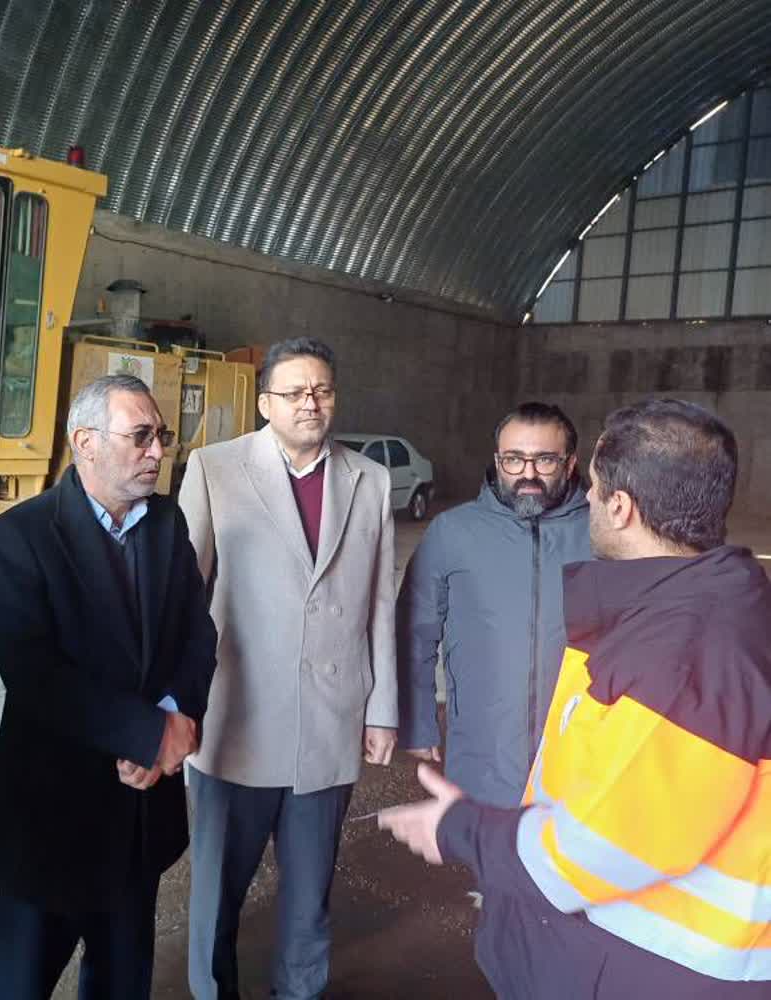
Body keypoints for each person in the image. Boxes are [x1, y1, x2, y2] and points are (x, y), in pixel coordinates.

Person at [380, 398, 771, 998]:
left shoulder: (684, 653)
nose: (584, 497)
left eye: (590, 483)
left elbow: (603, 850)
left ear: (619, 506)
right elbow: (417, 629)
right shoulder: (702, 604)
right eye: (513, 458)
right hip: (619, 924)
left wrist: (463, 831)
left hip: (664, 964)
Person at [0, 374, 218, 1000]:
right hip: (52, 816)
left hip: (138, 818)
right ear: (85, 442)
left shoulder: (166, 523)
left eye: (161, 435)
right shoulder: (22, 535)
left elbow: (197, 633)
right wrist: (148, 735)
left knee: (121, 982)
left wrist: (176, 713)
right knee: (17, 983)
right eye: (140, 436)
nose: (157, 451)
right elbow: (34, 674)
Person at [178, 336, 398, 1000]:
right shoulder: (215, 469)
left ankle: (299, 992)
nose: (310, 403)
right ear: (265, 402)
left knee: (309, 899)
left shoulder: (369, 479)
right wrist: (176, 709)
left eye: (322, 390)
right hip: (234, 723)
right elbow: (181, 598)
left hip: (327, 724)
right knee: (217, 894)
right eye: (295, 391)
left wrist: (381, 708)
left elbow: (378, 601)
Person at [396, 402, 591, 806]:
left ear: (570, 463)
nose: (528, 474)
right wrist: (417, 723)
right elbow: (415, 631)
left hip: (584, 749)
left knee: (572, 845)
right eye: (514, 460)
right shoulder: (453, 531)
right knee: (486, 842)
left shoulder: (603, 533)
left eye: (545, 460)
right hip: (483, 746)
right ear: (498, 460)